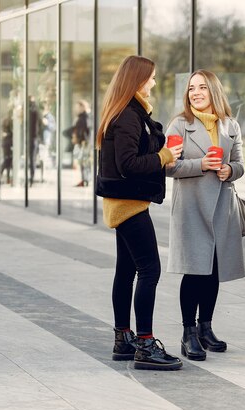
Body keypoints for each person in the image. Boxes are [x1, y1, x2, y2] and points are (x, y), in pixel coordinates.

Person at [95, 55, 183, 371]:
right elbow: (128, 165)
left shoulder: (126, 112)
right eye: (153, 78)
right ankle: (145, 343)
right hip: (129, 203)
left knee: (127, 270)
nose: (155, 83)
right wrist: (164, 156)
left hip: (123, 201)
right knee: (150, 269)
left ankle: (123, 338)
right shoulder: (129, 116)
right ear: (139, 80)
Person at [165, 70, 245, 361]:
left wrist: (229, 170)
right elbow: (168, 167)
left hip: (221, 205)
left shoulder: (230, 125)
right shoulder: (179, 125)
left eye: (201, 87)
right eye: (191, 89)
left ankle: (205, 328)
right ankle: (188, 333)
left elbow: (239, 163)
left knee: (213, 270)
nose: (195, 93)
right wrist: (202, 164)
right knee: (194, 270)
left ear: (213, 91)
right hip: (191, 207)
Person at [64, 100, 91, 186]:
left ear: (83, 107)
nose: (76, 109)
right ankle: (85, 180)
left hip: (83, 142)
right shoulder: (83, 117)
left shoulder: (84, 117)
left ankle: (85, 180)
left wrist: (80, 139)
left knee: (84, 161)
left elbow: (83, 130)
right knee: (84, 161)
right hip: (84, 142)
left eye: (78, 107)